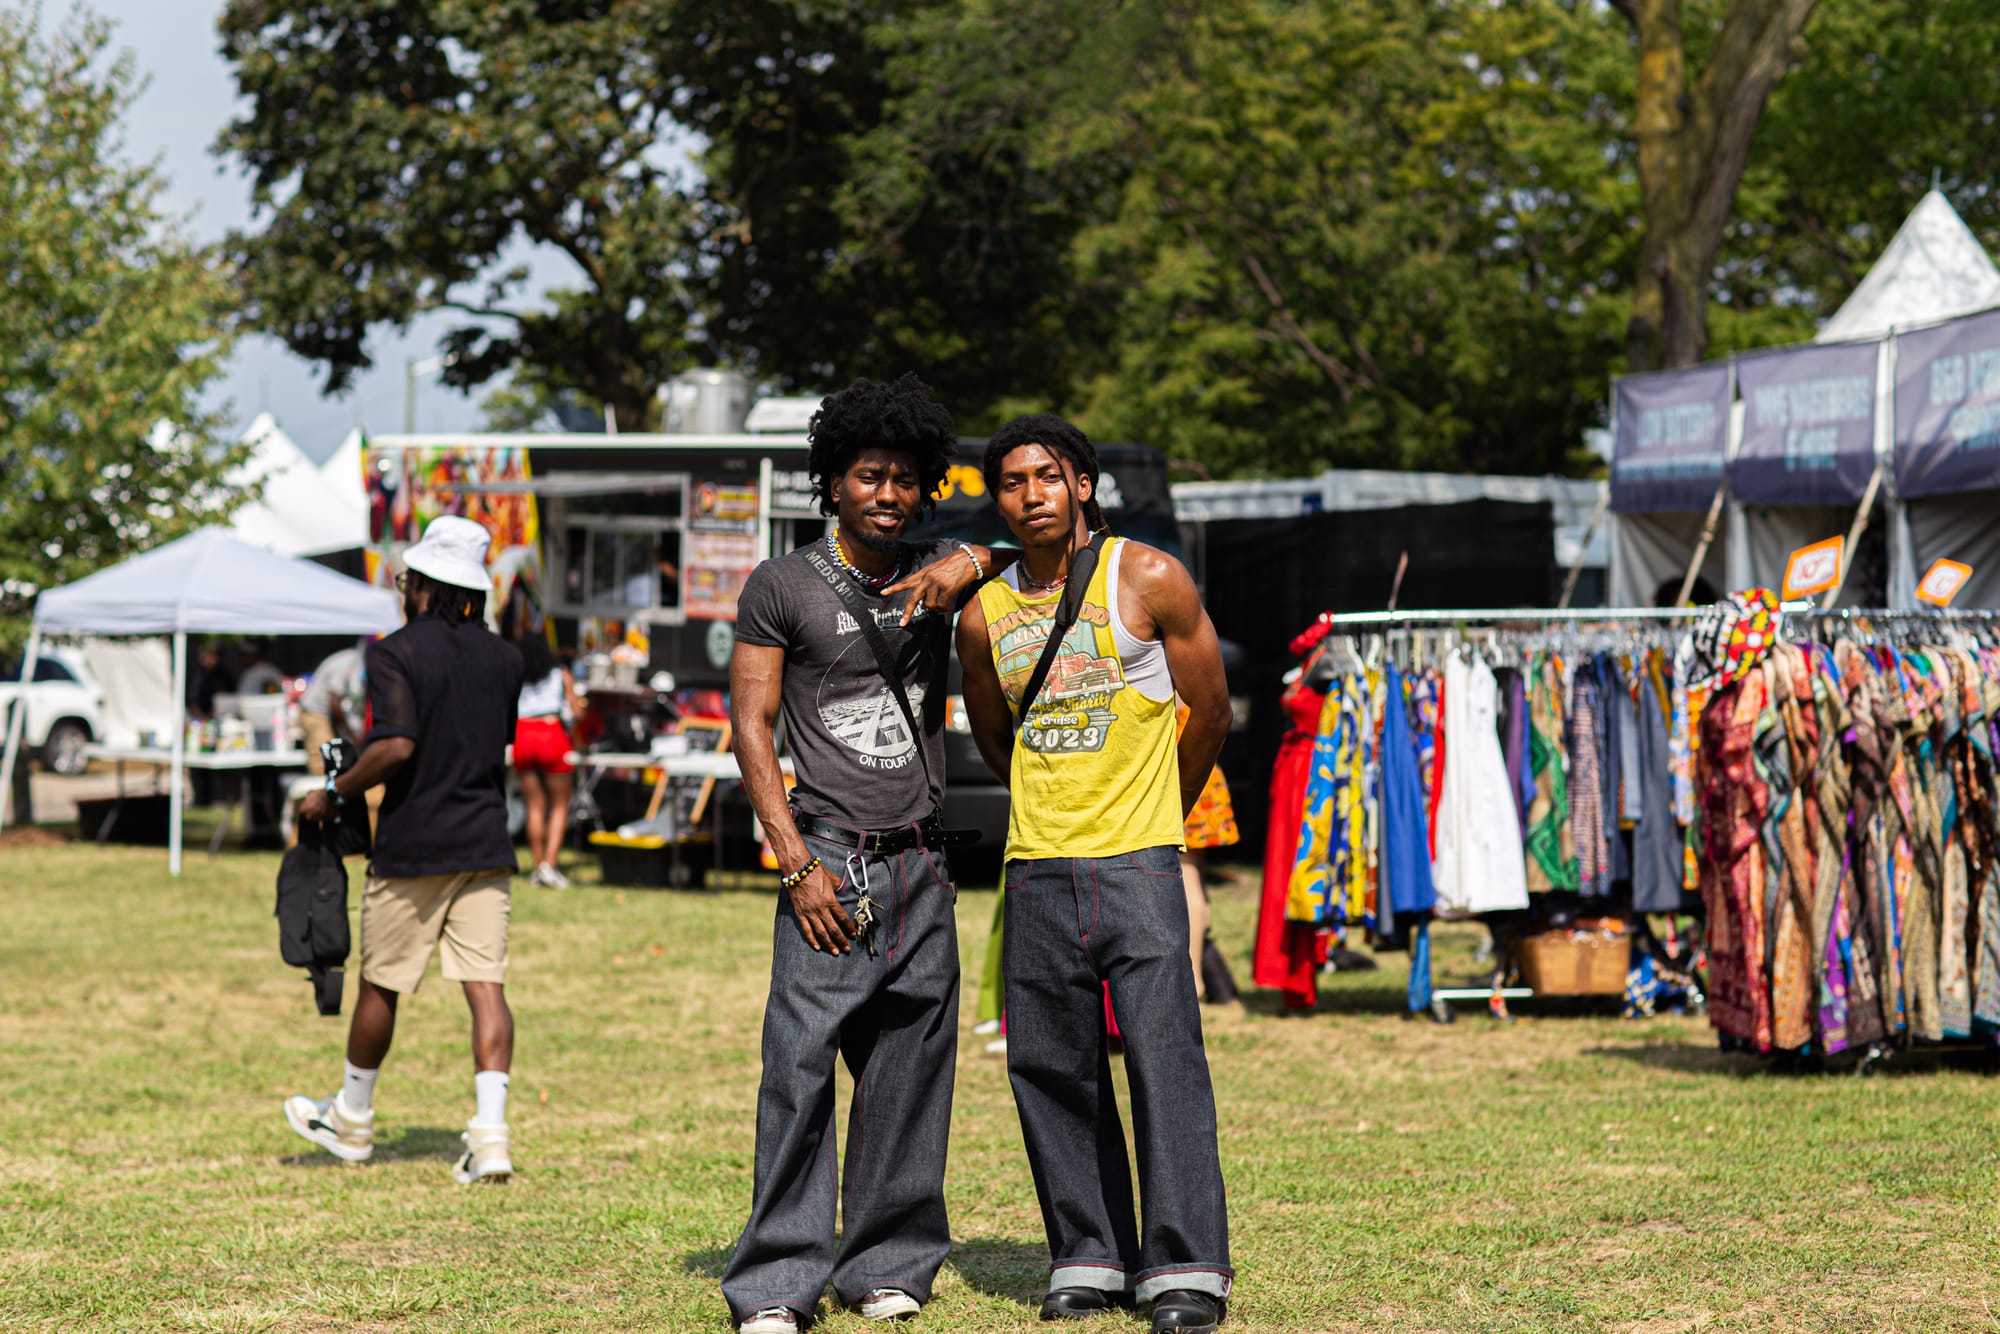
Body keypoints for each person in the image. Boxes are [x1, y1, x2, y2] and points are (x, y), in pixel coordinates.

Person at [722, 375, 1015, 1334]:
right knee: (799, 1070)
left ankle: (888, 1263)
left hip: (926, 862)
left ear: (926, 485)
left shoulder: (942, 569)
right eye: (867, 476)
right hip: (833, 858)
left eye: (902, 479)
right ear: (832, 482)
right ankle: (776, 1281)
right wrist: (795, 862)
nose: (885, 494)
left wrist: (970, 552)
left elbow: (1047, 549)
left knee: (910, 1068)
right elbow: (752, 729)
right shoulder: (783, 584)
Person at [956, 414, 1235, 1334]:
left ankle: (1186, 1268)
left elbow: (1210, 709)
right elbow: (997, 737)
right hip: (1036, 868)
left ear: (1083, 484)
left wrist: (1160, 810)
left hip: (1139, 863)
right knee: (1049, 1068)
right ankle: (1089, 1255)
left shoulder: (1148, 577)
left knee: (1166, 1065)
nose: (1029, 493)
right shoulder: (982, 614)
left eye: (1047, 475)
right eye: (1010, 482)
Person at [282, 516, 526, 1186]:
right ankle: (492, 1136)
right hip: (485, 842)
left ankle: (352, 1120)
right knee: (486, 987)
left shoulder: (393, 653)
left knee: (381, 984)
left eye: (404, 580)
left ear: (420, 585)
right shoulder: (506, 659)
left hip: (415, 844)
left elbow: (396, 746)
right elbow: (490, 744)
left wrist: (333, 792)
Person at [512, 631, 581, 888]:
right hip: (551, 733)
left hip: (522, 734)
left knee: (534, 805)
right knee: (560, 804)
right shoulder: (560, 674)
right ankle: (550, 864)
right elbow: (575, 712)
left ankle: (537, 864)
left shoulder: (517, 675)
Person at [299, 644, 367, 776]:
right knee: (322, 758)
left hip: (329, 715)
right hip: (316, 712)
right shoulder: (348, 662)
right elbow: (335, 702)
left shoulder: (358, 663)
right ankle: (320, 793)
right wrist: (351, 734)